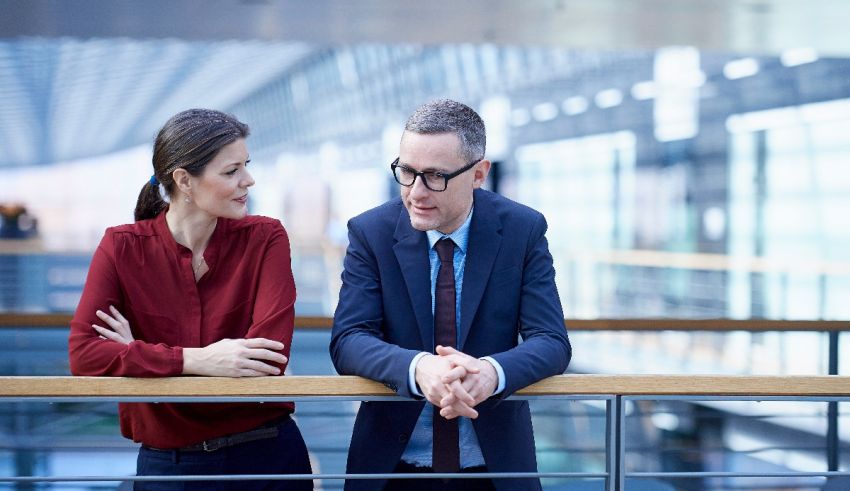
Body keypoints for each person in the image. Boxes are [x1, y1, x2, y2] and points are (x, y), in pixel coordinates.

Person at [329, 99, 572, 491]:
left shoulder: (522, 230)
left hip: (494, 469)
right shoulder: (369, 232)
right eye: (406, 172)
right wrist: (420, 368)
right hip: (392, 469)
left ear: (479, 174)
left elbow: (552, 342)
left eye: (435, 176)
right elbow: (348, 340)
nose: (416, 192)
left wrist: (491, 374)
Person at [68, 108, 312, 490]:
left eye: (245, 165)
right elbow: (84, 355)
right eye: (231, 171)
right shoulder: (121, 247)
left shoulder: (265, 238)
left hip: (266, 458)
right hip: (170, 468)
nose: (248, 180)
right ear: (184, 180)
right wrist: (199, 359)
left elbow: (267, 361)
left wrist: (138, 354)